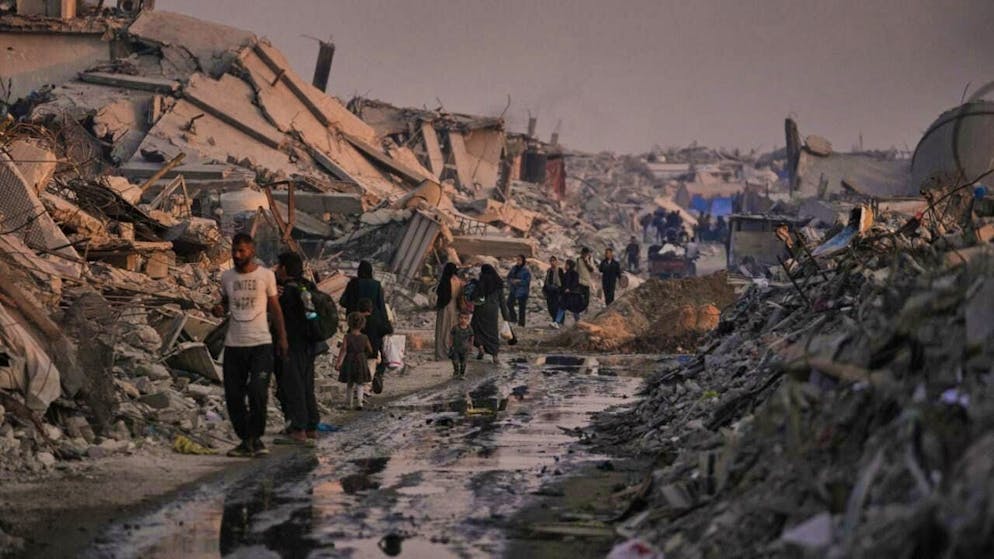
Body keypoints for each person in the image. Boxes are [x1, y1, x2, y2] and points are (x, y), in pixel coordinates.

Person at [212, 233, 287, 458]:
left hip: (261, 343)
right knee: (233, 395)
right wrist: (217, 309)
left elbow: (275, 308)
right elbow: (225, 304)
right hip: (234, 345)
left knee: (257, 391)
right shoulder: (226, 277)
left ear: (251, 251)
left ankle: (256, 438)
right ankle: (246, 440)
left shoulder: (266, 276)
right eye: (234, 251)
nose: (237, 255)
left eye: (241, 250)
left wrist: (282, 338)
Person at [272, 251, 318, 447]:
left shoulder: (287, 292)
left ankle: (298, 429)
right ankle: (310, 427)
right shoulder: (308, 285)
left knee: (292, 385)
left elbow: (279, 317)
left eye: (278, 266)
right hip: (309, 343)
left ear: (284, 268)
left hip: (291, 344)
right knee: (307, 385)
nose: (275, 269)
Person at [339, 261, 389, 376]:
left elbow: (343, 301)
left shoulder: (353, 284)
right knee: (375, 349)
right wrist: (385, 324)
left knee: (354, 349)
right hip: (374, 322)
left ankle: (355, 374)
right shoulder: (376, 285)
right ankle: (375, 374)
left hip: (355, 322)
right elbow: (381, 306)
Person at [470, 264, 510, 363]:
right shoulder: (498, 284)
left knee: (476, 329)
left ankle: (480, 348)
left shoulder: (481, 282)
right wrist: (506, 317)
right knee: (492, 332)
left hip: (480, 309)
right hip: (493, 311)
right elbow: (502, 302)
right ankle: (495, 355)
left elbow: (473, 296)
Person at [336, 312, 374, 410]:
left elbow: (343, 349)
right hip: (361, 360)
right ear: (362, 324)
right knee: (360, 382)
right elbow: (370, 350)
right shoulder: (365, 337)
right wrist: (364, 355)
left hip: (349, 360)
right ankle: (360, 402)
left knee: (350, 382)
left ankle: (349, 403)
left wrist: (339, 362)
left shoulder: (347, 337)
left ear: (349, 323)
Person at [358, 298, 392, 394]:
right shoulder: (376, 320)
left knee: (359, 371)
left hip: (359, 352)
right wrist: (388, 320)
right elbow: (388, 330)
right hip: (373, 351)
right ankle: (366, 390)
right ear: (371, 309)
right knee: (370, 370)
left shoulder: (357, 320)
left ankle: (359, 390)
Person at [434, 262, 464, 360]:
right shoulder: (458, 281)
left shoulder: (445, 281)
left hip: (445, 308)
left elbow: (440, 294)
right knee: (451, 330)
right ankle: (451, 351)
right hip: (454, 307)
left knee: (442, 330)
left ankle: (441, 353)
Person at [555, 259, 585, 325]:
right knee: (562, 307)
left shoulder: (575, 274)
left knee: (574, 309)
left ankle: (578, 322)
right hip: (567, 294)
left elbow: (575, 283)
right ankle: (557, 322)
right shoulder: (566, 274)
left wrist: (569, 289)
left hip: (573, 294)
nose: (565, 266)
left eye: (566, 264)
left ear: (569, 265)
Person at [506, 254, 531, 327]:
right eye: (517, 260)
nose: (518, 261)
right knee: (509, 303)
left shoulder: (526, 270)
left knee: (522, 308)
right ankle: (513, 318)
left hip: (522, 291)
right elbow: (508, 277)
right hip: (514, 290)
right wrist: (511, 281)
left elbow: (527, 281)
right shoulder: (514, 268)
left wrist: (519, 281)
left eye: (519, 260)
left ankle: (521, 323)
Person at [448, 312, 474, 378]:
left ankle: (462, 374)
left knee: (464, 363)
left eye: (465, 318)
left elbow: (472, 337)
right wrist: (450, 345)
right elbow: (451, 336)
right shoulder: (455, 328)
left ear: (468, 320)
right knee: (455, 362)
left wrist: (471, 346)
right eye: (461, 318)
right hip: (456, 349)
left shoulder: (469, 328)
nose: (463, 320)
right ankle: (456, 372)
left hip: (465, 349)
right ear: (458, 319)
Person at [543, 255, 565, 329]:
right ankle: (555, 321)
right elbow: (546, 280)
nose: (552, 262)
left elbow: (563, 281)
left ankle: (558, 322)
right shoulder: (549, 271)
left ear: (556, 261)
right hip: (550, 292)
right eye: (551, 261)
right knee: (550, 307)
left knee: (557, 306)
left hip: (557, 291)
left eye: (553, 261)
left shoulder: (559, 270)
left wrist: (561, 291)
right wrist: (545, 289)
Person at [576, 247, 595, 311]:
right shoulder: (578, 260)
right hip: (580, 281)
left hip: (587, 282)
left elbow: (592, 270)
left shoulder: (589, 259)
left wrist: (587, 263)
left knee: (586, 299)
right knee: (578, 296)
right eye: (583, 254)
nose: (584, 255)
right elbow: (576, 270)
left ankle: (585, 309)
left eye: (585, 254)